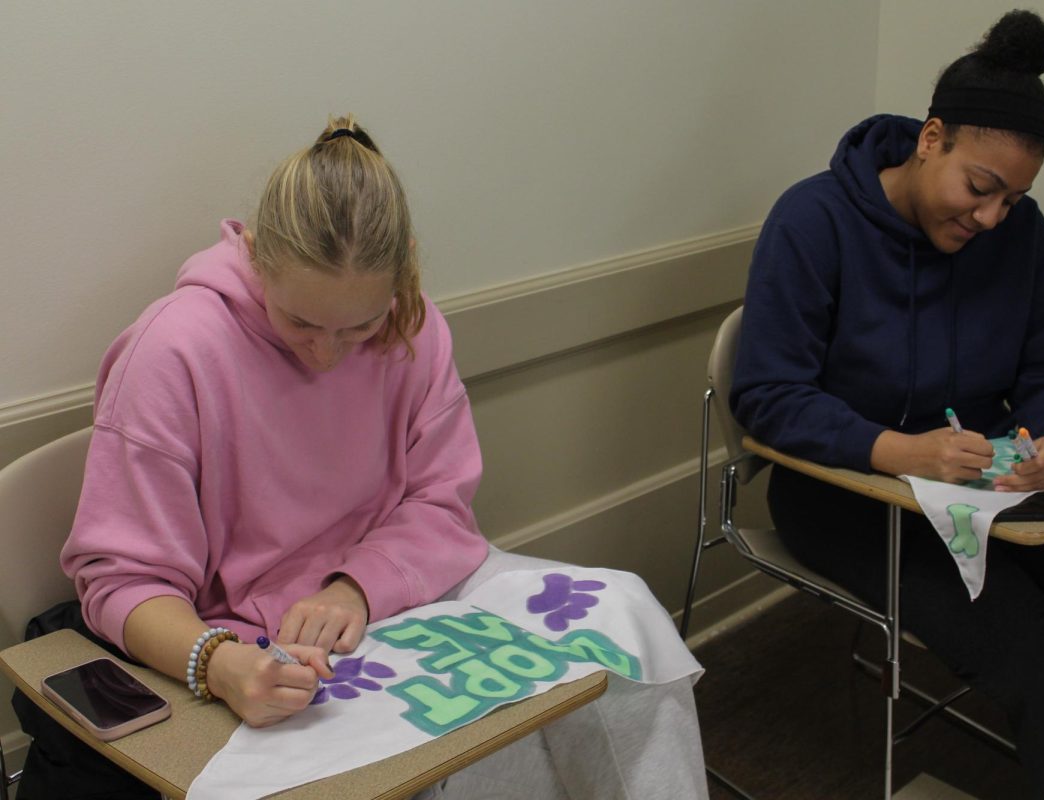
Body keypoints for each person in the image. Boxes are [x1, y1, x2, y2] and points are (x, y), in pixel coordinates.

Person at [22, 116, 708, 799]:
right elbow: (123, 582)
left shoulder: (414, 323)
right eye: (300, 322)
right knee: (476, 751)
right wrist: (219, 665)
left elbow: (440, 503)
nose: (326, 353)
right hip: (251, 637)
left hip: (397, 588)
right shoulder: (173, 352)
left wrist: (356, 586)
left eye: (359, 326)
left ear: (402, 271)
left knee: (619, 620)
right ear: (256, 256)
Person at [730, 10, 1044, 798]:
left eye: (1013, 199)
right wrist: (900, 451)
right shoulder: (813, 221)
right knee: (1029, 651)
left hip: (982, 479)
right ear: (930, 139)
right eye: (980, 188)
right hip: (844, 491)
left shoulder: (1020, 238)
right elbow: (767, 394)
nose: (991, 217)